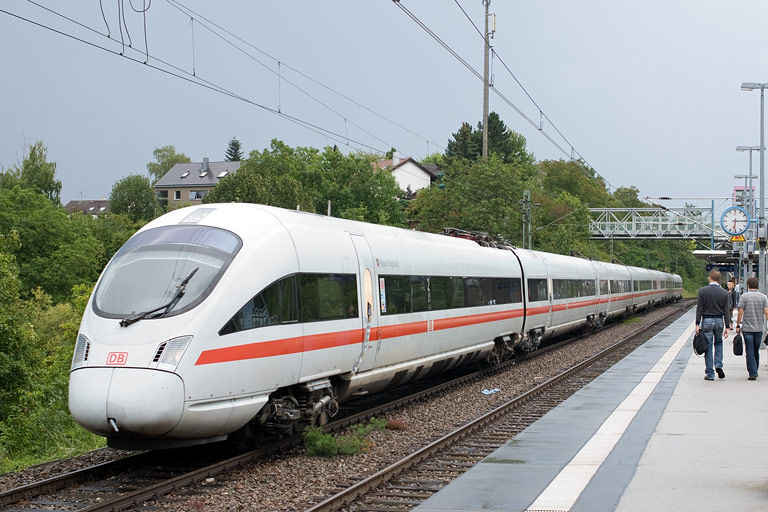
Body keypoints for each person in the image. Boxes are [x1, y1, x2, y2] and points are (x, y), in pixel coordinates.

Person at [695, 270, 730, 380]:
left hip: (707, 321)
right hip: (719, 321)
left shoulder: (702, 291)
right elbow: (726, 311)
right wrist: (727, 327)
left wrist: (697, 324)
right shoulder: (724, 293)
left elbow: (699, 308)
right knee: (719, 343)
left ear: (710, 278)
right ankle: (718, 365)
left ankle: (710, 374)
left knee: (708, 347)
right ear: (719, 279)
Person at [735, 277, 768, 380]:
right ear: (757, 285)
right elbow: (766, 312)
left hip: (747, 329)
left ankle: (752, 373)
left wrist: (738, 325)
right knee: (755, 350)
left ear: (748, 285)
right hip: (759, 328)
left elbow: (740, 312)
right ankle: (755, 370)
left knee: (749, 350)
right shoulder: (764, 297)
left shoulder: (744, 297)